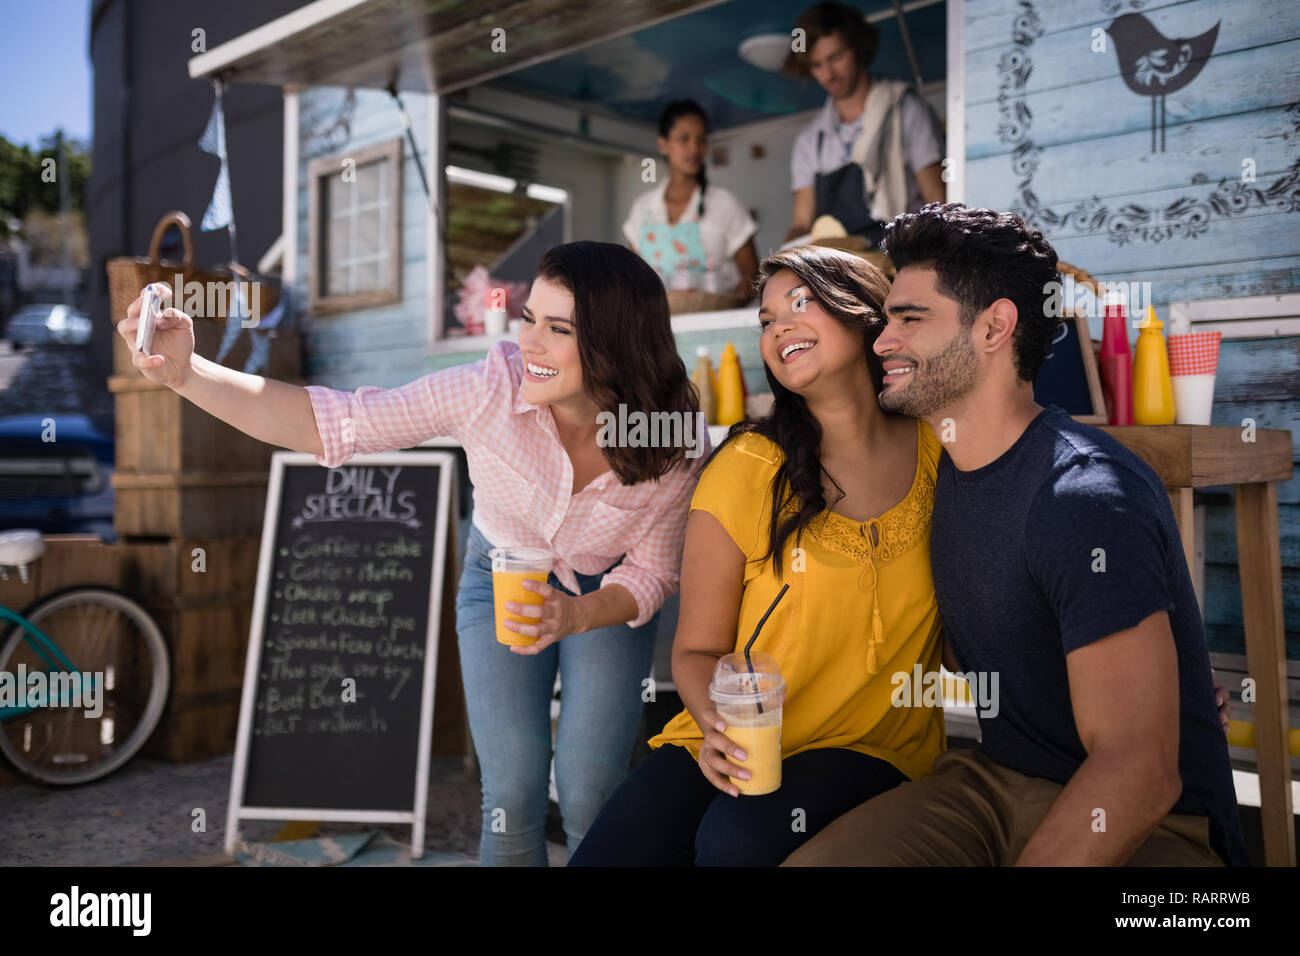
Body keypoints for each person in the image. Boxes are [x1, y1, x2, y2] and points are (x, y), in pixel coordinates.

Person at [115, 241, 708, 866]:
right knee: (510, 797)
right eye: (529, 317)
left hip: (603, 595)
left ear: (618, 343)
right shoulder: (487, 390)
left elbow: (652, 571)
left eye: (557, 329)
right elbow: (337, 423)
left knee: (592, 794)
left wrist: (579, 614)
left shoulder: (671, 441)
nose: (527, 343)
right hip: (498, 575)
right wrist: (188, 373)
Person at [784, 204, 1250, 866]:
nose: (883, 340)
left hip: (1158, 825)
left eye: (909, 319)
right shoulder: (937, 468)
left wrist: (1157, 686)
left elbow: (1141, 770)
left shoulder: (1084, 495)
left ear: (995, 327)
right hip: (991, 782)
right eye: (888, 319)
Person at [569, 245, 946, 866]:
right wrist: (716, 729)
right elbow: (695, 651)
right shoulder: (747, 469)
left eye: (800, 303)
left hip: (871, 743)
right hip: (734, 731)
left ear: (864, 313)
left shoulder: (941, 450)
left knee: (735, 842)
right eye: (766, 320)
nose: (779, 328)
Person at [783, 2, 946, 245]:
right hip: (843, 273)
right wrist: (788, 252)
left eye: (836, 57)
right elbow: (801, 223)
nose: (829, 74)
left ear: (858, 47)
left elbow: (938, 201)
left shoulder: (905, 110)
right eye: (817, 65)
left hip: (905, 258)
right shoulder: (810, 142)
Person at [624, 99, 760, 302]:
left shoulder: (724, 204)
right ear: (663, 144)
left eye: (701, 140)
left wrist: (732, 300)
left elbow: (754, 276)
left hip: (712, 325)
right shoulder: (642, 208)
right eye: (684, 139)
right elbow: (629, 276)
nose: (694, 148)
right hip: (651, 326)